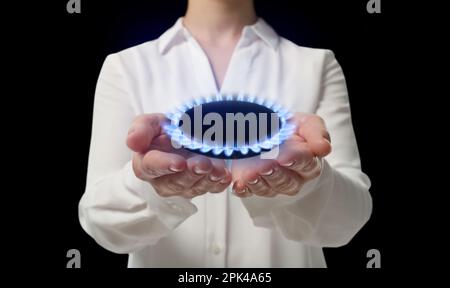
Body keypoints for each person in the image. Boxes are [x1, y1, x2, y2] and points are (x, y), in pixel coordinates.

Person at [79, 0, 372, 267]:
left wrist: (307, 178)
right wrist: (153, 186)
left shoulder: (316, 66)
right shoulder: (126, 67)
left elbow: (346, 223)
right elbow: (102, 225)